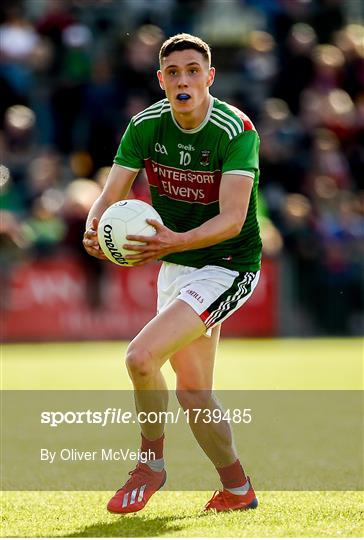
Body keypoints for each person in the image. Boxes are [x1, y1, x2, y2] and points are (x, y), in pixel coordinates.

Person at [83, 33, 262, 513]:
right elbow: (111, 192)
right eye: (174, 73)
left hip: (227, 267)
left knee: (141, 357)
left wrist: (172, 242)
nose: (184, 80)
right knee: (192, 392)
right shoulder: (144, 126)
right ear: (160, 80)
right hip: (176, 265)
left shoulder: (235, 130)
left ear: (210, 76)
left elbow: (232, 220)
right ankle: (238, 489)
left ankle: (150, 466)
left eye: (193, 70)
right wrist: (94, 227)